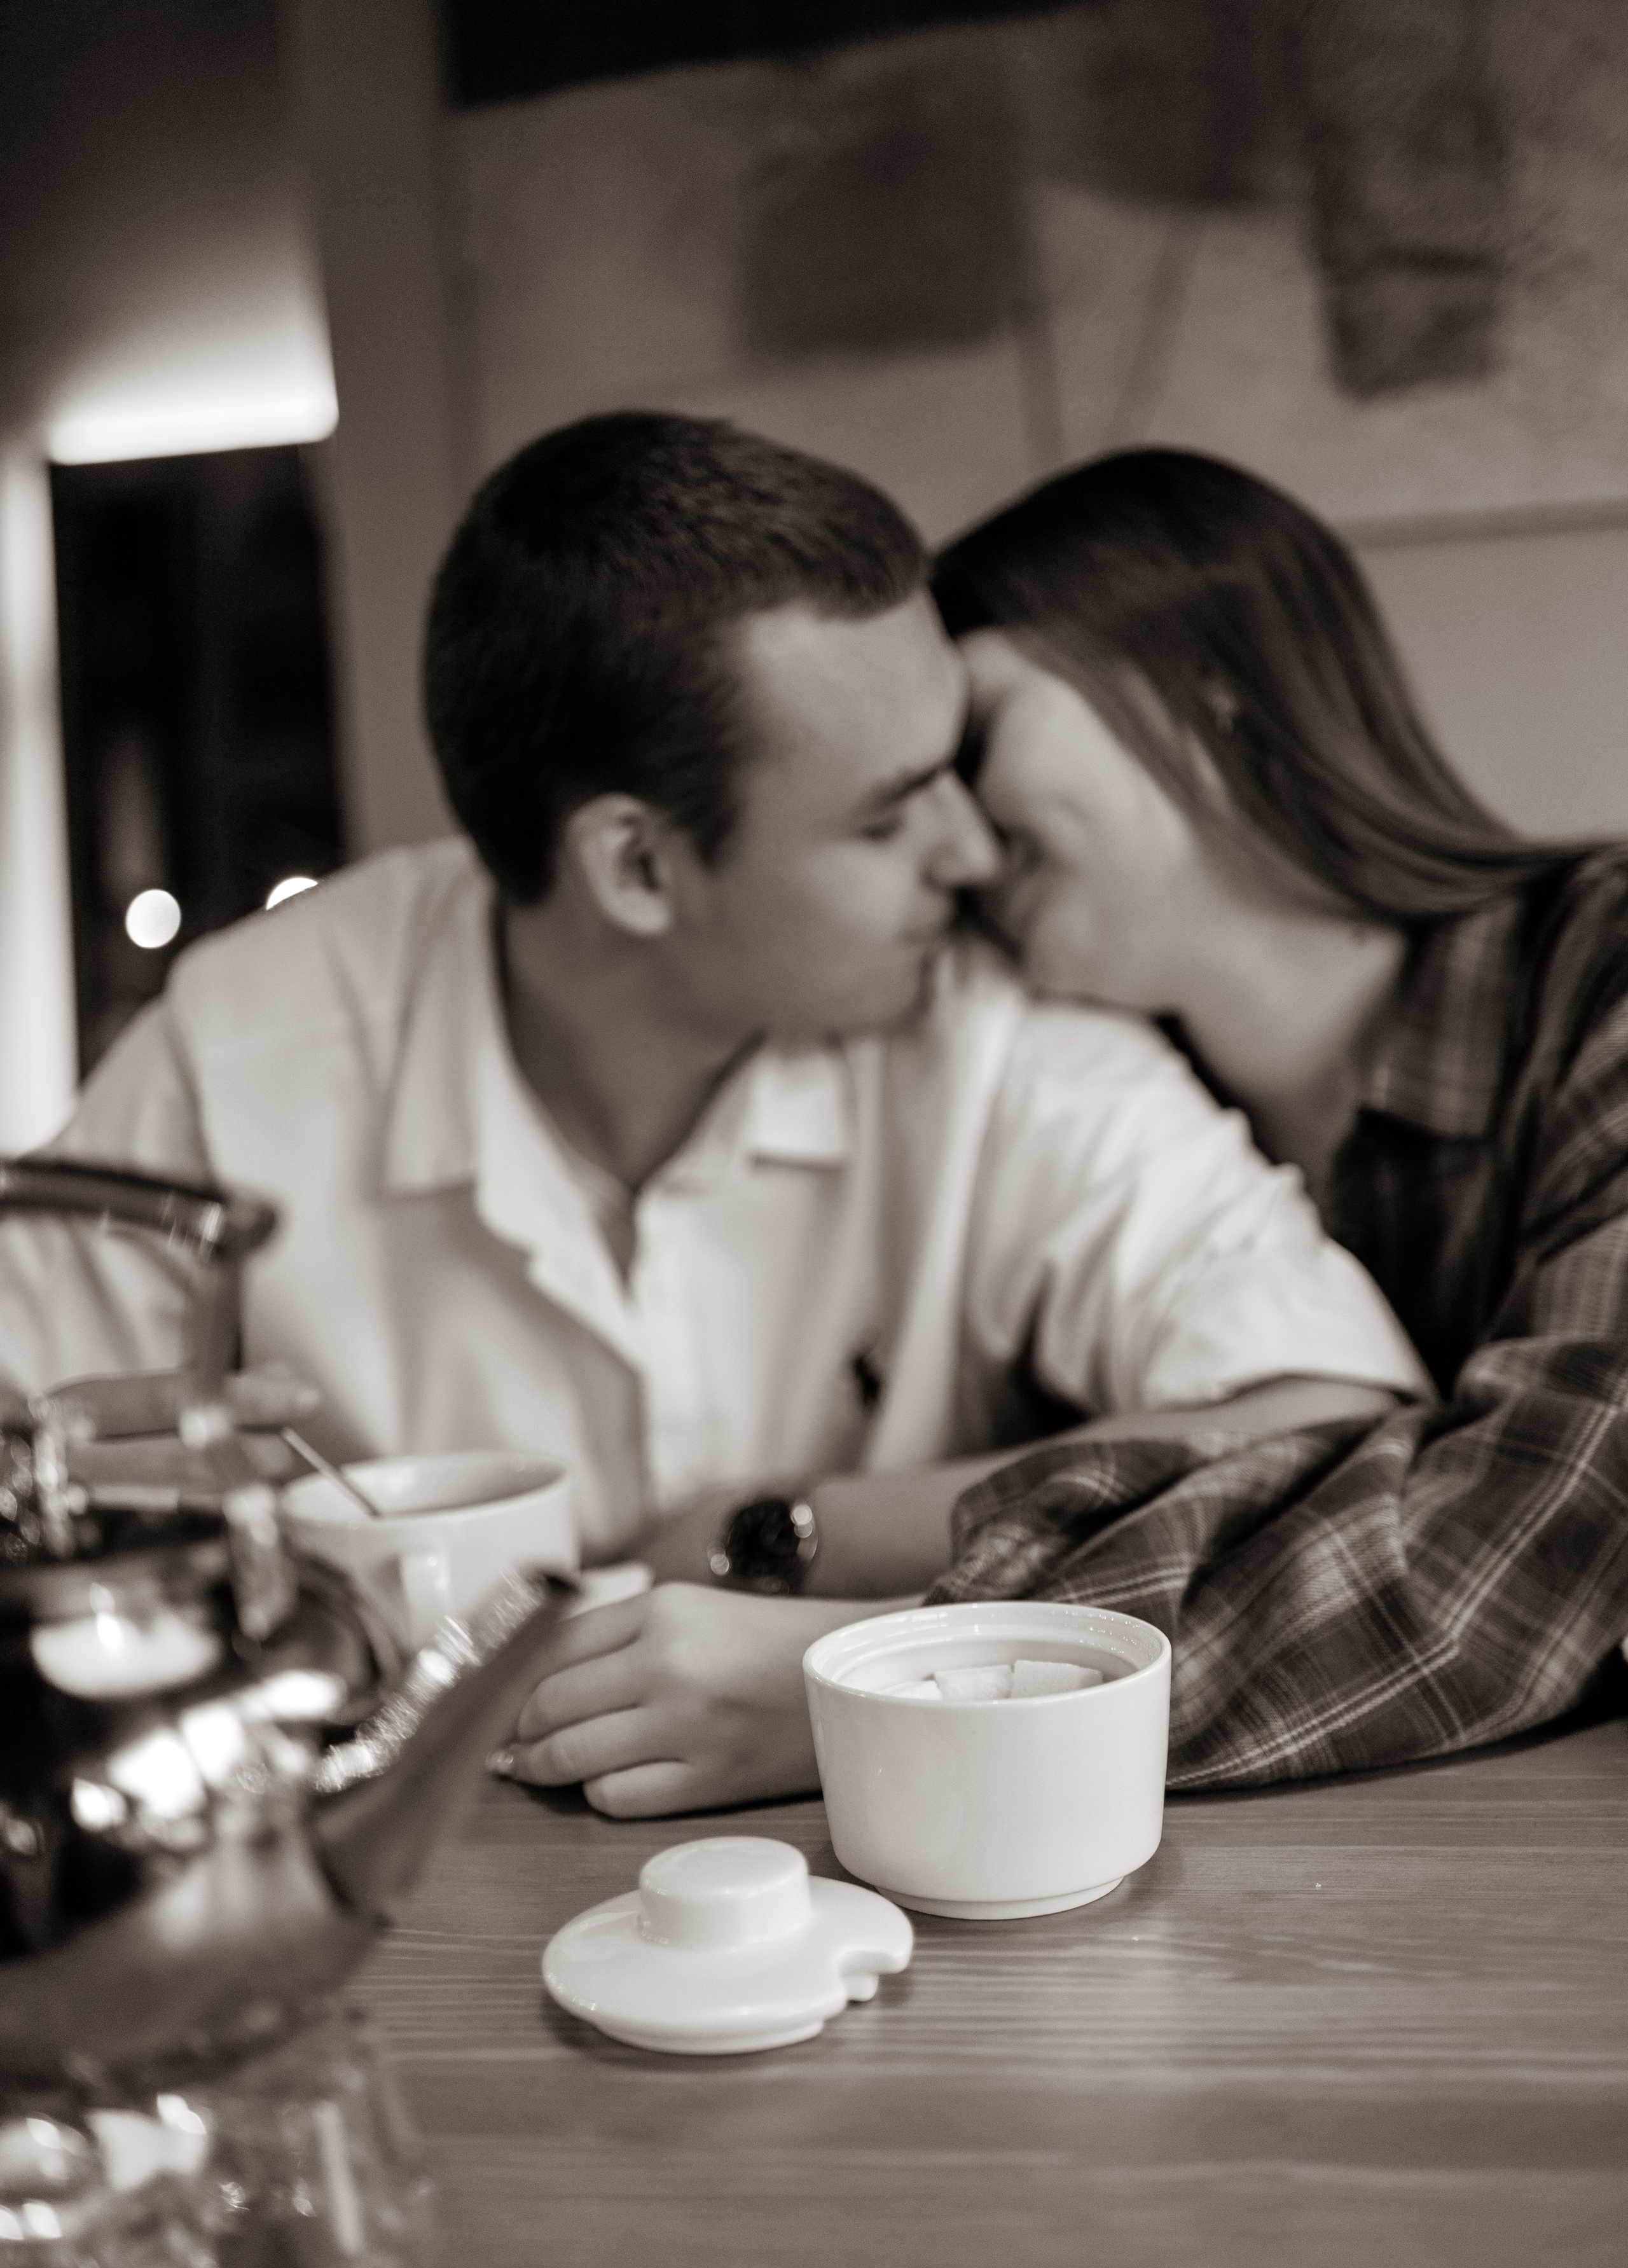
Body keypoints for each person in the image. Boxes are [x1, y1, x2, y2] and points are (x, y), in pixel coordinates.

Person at [0, 414, 1421, 1815]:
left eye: (955, 766)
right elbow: (26, 1434)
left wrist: (793, 1550)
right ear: (636, 867)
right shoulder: (242, 1052)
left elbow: (1339, 1417)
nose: (972, 850)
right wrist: (95, 1513)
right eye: (886, 816)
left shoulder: (987, 1024)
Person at [923, 443, 1628, 1788]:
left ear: (1207, 696)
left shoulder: (1604, 981)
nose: (949, 843)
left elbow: (1517, 1562)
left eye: (975, 740)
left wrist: (920, 1673)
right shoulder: (1087, 1111)